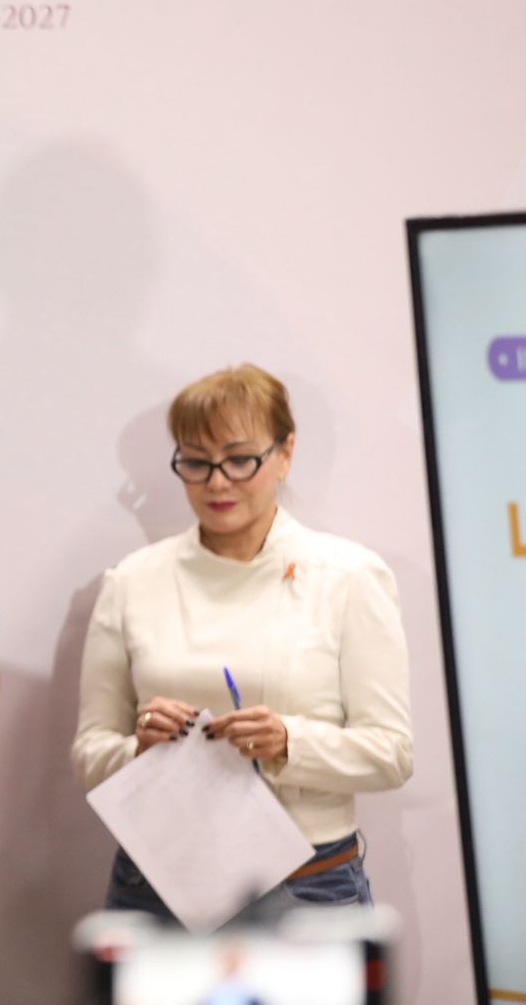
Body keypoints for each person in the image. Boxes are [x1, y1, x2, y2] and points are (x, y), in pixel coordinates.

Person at [71, 363, 413, 922]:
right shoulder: (131, 581)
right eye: (196, 462)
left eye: (239, 459)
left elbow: (392, 754)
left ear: (285, 453)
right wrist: (139, 750)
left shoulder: (349, 576)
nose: (217, 482)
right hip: (158, 878)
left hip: (306, 880)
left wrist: (287, 741)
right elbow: (90, 754)